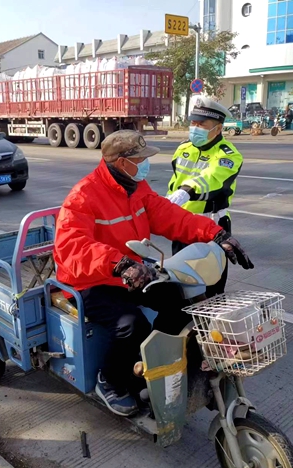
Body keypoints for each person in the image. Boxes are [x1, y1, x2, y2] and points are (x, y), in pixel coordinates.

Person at [53, 130, 254, 417]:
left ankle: (150, 364)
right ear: (123, 163)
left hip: (133, 272)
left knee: (182, 306)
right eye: (141, 159)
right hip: (91, 280)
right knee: (130, 324)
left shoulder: (138, 188)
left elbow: (172, 216)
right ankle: (108, 380)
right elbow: (72, 248)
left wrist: (216, 233)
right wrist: (120, 264)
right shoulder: (83, 196)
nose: (146, 164)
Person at [166, 95, 244, 298]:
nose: (195, 128)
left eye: (201, 124)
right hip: (181, 224)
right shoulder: (183, 149)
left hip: (211, 225)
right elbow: (174, 183)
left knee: (211, 286)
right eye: (193, 122)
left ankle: (210, 327)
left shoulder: (228, 155)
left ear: (217, 129)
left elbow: (213, 177)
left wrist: (187, 190)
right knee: (181, 281)